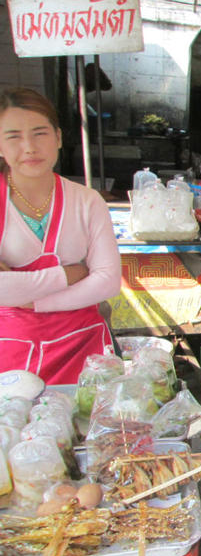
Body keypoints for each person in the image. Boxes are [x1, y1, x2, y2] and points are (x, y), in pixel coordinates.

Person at [0, 88, 121, 384]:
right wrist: (70, 275)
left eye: (39, 133)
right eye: (14, 136)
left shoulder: (87, 201)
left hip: (83, 349)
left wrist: (34, 302)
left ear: (58, 137)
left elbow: (107, 281)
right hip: (10, 352)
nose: (29, 147)